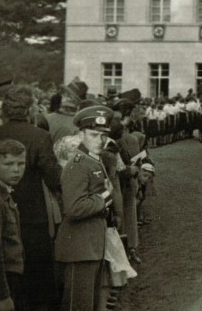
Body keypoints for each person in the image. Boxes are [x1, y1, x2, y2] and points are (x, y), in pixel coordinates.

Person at [0, 84, 62, 311]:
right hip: (33, 217)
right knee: (38, 281)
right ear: (30, 109)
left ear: (5, 108)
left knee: (5, 271)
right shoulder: (40, 136)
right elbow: (54, 178)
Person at [55, 106, 116, 311]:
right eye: (93, 135)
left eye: (103, 135)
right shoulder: (78, 164)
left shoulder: (92, 161)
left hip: (90, 245)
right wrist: (106, 197)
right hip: (79, 247)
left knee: (87, 304)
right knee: (78, 305)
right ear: (81, 135)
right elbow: (73, 207)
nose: (99, 140)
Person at [0, 139, 27, 311]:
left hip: (12, 275)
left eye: (21, 163)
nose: (16, 170)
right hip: (2, 279)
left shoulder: (4, 193)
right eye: (8, 164)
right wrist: (3, 295)